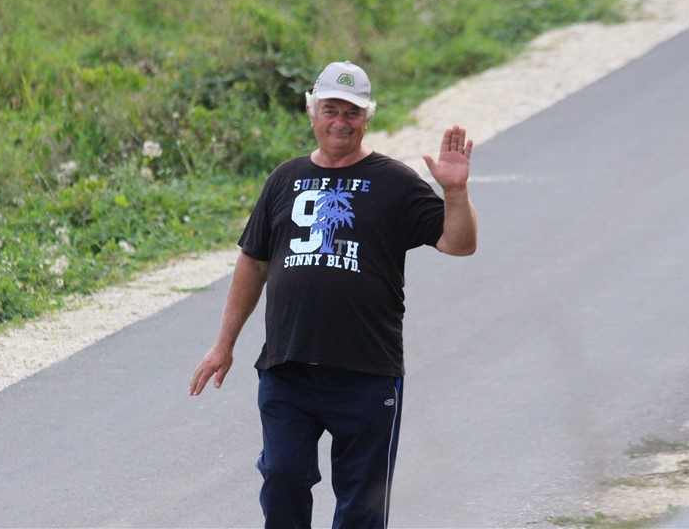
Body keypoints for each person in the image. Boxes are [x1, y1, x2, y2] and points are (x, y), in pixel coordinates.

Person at [188, 60, 477, 529]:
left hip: (367, 372)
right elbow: (254, 262)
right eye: (331, 110)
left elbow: (458, 244)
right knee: (282, 476)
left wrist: (456, 193)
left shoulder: (395, 182)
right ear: (311, 112)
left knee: (361, 506)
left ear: (367, 118)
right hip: (288, 368)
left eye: (352, 112)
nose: (340, 122)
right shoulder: (284, 179)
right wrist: (224, 344)